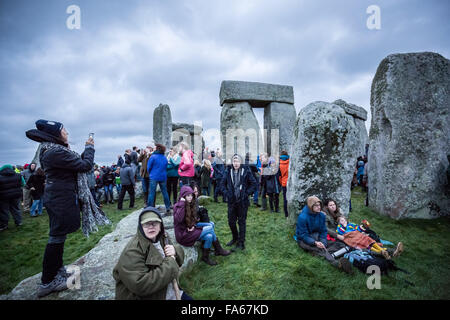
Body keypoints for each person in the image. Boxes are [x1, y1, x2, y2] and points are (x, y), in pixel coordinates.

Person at [25, 119, 95, 297]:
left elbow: (74, 163)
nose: (67, 133)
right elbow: (85, 166)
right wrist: (89, 148)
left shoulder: (52, 150)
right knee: (56, 237)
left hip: (58, 196)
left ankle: (57, 270)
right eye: (64, 131)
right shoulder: (55, 152)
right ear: (56, 134)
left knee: (59, 236)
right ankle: (48, 281)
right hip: (60, 198)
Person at [113, 207, 192, 300]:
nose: (151, 227)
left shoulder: (163, 237)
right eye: (146, 224)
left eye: (155, 223)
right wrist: (170, 264)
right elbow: (140, 285)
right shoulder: (132, 251)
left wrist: (175, 251)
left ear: (160, 225)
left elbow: (177, 259)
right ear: (141, 227)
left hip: (170, 290)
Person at [173, 185, 230, 266]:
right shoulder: (178, 206)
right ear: (183, 196)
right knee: (210, 227)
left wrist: (191, 226)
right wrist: (182, 203)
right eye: (188, 196)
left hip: (189, 230)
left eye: (191, 195)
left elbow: (191, 219)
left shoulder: (190, 203)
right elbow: (179, 219)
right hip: (183, 235)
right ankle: (219, 250)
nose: (190, 198)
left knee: (209, 236)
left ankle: (205, 257)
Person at [295, 196, 353, 274]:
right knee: (318, 249)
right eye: (316, 205)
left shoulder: (321, 215)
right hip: (304, 239)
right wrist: (314, 242)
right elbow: (303, 235)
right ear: (310, 206)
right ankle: (337, 264)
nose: (319, 207)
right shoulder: (302, 217)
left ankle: (329, 253)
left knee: (338, 244)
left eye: (319, 205)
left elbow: (323, 231)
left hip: (317, 236)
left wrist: (323, 241)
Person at [220, 154, 257, 250]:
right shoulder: (228, 171)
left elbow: (254, 184)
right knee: (231, 222)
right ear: (232, 162)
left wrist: (246, 193)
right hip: (232, 201)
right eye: (234, 161)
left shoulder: (246, 170)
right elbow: (222, 184)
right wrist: (227, 193)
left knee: (241, 222)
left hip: (242, 202)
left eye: (237, 161)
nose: (236, 163)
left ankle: (241, 242)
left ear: (241, 162)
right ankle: (235, 237)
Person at [336, 216, 404, 259]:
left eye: (344, 220)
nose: (343, 221)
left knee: (369, 240)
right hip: (353, 238)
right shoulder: (339, 228)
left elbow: (358, 228)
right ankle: (390, 251)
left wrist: (363, 226)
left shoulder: (351, 224)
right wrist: (344, 226)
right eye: (341, 220)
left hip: (359, 235)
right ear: (339, 222)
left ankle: (385, 251)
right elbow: (341, 233)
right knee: (365, 245)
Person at [147, 144, 171, 213]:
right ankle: (168, 207)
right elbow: (166, 166)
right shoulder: (164, 157)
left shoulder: (153, 157)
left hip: (154, 176)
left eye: (155, 148)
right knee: (165, 192)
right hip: (163, 177)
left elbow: (148, 167)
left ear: (157, 149)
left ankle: (150, 208)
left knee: (152, 193)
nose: (154, 149)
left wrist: (151, 173)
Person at [0, 164, 25, 230]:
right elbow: (23, 183)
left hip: (3, 196)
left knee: (4, 210)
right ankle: (18, 222)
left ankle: (4, 225)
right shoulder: (18, 175)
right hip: (16, 195)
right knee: (16, 209)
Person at [279, 150, 290, 218]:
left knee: (285, 198)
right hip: (290, 182)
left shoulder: (279, 164)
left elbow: (279, 176)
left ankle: (286, 214)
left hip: (284, 183)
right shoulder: (290, 162)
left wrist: (282, 182)